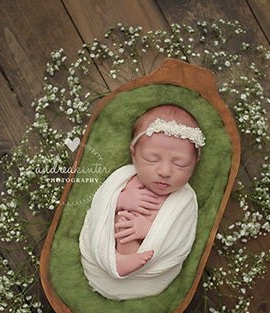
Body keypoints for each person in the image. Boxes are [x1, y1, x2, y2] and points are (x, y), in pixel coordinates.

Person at [79, 104, 205, 300]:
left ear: (195, 162)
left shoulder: (185, 199)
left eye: (180, 163)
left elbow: (180, 235)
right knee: (122, 219)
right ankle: (116, 259)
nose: (164, 171)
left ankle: (125, 259)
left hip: (148, 267)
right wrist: (120, 199)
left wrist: (149, 230)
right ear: (134, 154)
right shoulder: (124, 179)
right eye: (151, 159)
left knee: (130, 224)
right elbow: (100, 206)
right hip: (107, 252)